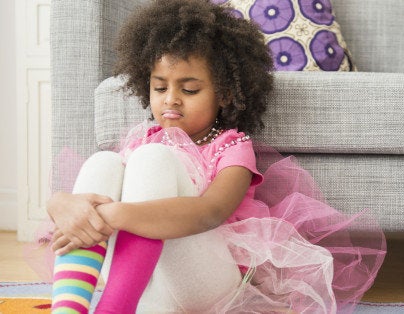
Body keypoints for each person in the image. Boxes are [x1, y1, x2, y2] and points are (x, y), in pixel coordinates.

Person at [45, 0, 386, 313]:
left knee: (153, 159)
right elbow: (90, 200)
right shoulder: (140, 140)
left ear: (223, 95)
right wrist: (60, 204)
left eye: (189, 89)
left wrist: (117, 214)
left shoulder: (231, 146)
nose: (171, 100)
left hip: (202, 283)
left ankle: (114, 309)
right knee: (102, 163)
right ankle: (69, 310)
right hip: (148, 288)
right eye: (160, 87)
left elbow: (210, 213)